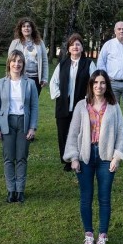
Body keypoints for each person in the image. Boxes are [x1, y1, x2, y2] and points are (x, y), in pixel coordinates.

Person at [64, 70, 123, 244]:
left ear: (107, 85)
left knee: (104, 198)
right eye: (96, 83)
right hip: (85, 156)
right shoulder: (81, 106)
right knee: (86, 197)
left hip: (106, 157)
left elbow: (121, 133)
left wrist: (117, 157)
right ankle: (89, 234)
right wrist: (73, 157)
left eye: (103, 83)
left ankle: (102, 236)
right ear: (91, 85)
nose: (99, 86)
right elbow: (73, 133)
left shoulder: (113, 107)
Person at [0, 50, 38, 203]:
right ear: (9, 63)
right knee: (8, 158)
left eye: (20, 61)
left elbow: (34, 107)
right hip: (7, 123)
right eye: (14, 61)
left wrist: (32, 127)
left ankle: (20, 190)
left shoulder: (30, 84)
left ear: (23, 64)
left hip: (24, 123)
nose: (16, 64)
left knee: (21, 158)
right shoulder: (0, 83)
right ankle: (11, 190)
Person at [50, 33, 96, 172]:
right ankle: (67, 160)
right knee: (63, 132)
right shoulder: (62, 64)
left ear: (82, 47)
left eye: (78, 44)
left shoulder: (88, 64)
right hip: (63, 105)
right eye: (72, 44)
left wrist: (89, 98)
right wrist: (59, 95)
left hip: (82, 104)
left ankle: (80, 157)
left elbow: (94, 83)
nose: (75, 47)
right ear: (69, 48)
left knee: (79, 132)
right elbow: (53, 82)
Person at [8, 18, 49, 95]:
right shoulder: (15, 43)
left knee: (33, 101)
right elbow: (9, 62)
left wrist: (44, 78)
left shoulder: (40, 43)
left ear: (32, 29)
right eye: (23, 26)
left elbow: (44, 61)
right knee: (20, 100)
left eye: (28, 26)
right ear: (20, 29)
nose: (26, 28)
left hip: (36, 79)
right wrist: (9, 76)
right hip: (19, 77)